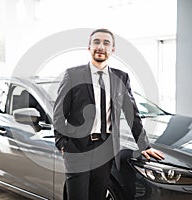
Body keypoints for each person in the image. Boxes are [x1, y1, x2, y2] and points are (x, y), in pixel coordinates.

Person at [53, 28, 164, 200]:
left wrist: (144, 145)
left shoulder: (122, 78)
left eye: (106, 43)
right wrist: (61, 142)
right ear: (89, 47)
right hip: (77, 149)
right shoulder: (73, 75)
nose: (101, 47)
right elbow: (59, 112)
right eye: (96, 42)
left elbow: (132, 114)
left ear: (113, 49)